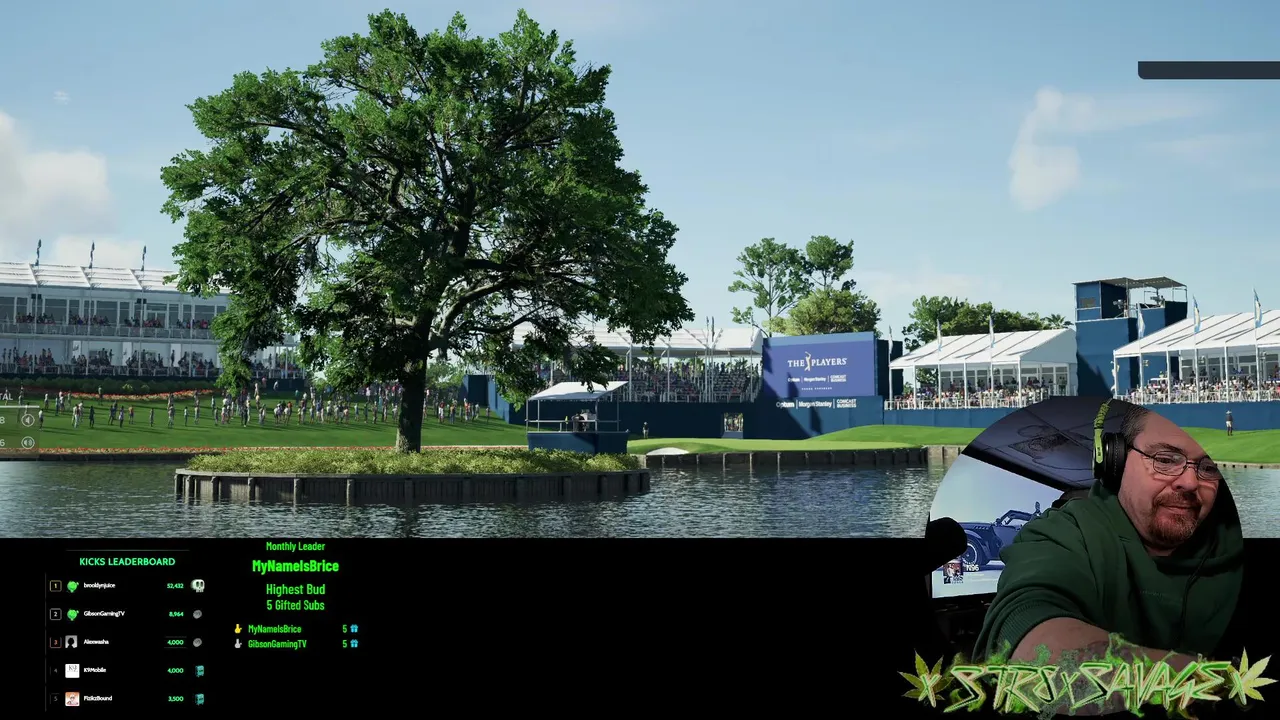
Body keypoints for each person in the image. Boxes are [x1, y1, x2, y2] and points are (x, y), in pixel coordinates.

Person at [974, 399, 1244, 673]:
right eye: (1164, 460)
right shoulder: (1066, 532)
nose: (1190, 482)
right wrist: (1198, 681)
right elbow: (1024, 630)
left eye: (1208, 467)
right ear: (1118, 460)